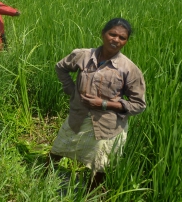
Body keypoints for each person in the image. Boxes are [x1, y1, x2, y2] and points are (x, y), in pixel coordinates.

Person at [49, 18, 146, 191]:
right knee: (59, 148)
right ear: (103, 34)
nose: (116, 40)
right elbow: (60, 67)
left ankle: (90, 193)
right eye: (112, 34)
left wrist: (104, 104)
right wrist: (71, 90)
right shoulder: (83, 55)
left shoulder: (129, 69)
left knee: (100, 164)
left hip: (107, 124)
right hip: (78, 116)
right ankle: (44, 176)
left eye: (122, 37)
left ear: (126, 41)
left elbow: (139, 105)